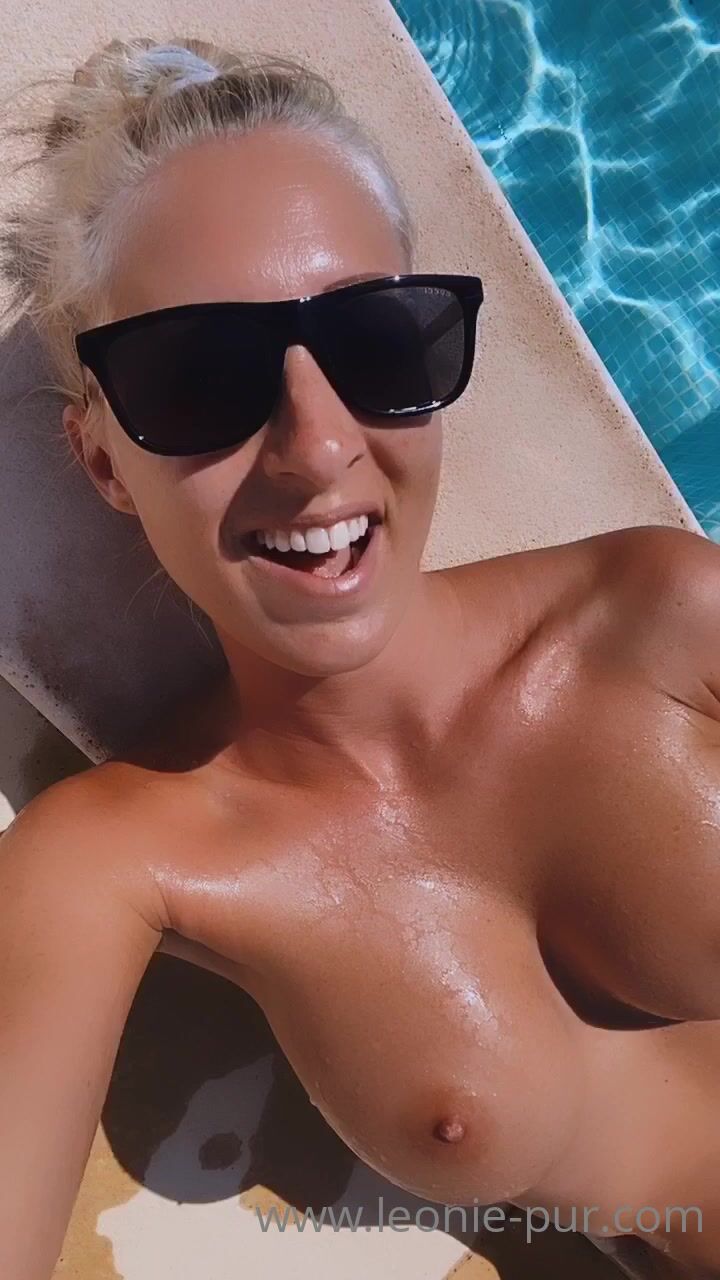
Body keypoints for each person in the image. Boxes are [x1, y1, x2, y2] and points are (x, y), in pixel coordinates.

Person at [1, 34, 719, 1280]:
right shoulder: (120, 852)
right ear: (103, 459)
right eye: (198, 376)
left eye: (378, 343)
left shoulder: (664, 614)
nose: (318, 444)